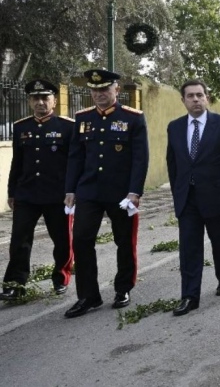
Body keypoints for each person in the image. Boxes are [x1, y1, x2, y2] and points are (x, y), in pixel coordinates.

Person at [64, 69, 149, 318]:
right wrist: (70, 189)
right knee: (81, 240)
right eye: (95, 90)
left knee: (124, 240)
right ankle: (89, 296)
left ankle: (123, 288)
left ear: (117, 90)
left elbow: (140, 158)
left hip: (121, 193)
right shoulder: (82, 118)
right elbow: (75, 156)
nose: (100, 94)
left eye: (105, 89)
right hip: (88, 190)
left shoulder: (133, 118)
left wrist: (135, 191)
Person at [166, 79, 220, 316]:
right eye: (190, 96)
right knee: (189, 247)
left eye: (200, 95)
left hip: (216, 195)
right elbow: (173, 163)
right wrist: (177, 192)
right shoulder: (175, 127)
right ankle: (190, 296)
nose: (195, 100)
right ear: (183, 101)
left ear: (207, 98)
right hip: (187, 198)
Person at [1, 80, 74, 301]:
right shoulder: (21, 127)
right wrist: (12, 191)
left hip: (57, 195)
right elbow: (17, 161)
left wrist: (72, 191)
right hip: (27, 193)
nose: (40, 102)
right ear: (29, 100)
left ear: (55, 100)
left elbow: (74, 163)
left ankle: (60, 278)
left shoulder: (67, 126)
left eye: (45, 98)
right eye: (35, 98)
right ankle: (15, 283)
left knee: (61, 239)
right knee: (19, 241)